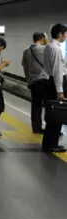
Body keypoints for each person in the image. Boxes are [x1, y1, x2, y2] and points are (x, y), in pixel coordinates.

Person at [42, 23, 67, 153]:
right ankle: (52, 144)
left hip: (49, 81)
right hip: (56, 83)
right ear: (60, 34)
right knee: (57, 115)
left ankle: (47, 144)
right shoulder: (56, 49)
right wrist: (60, 91)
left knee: (52, 115)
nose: (66, 37)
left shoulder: (49, 47)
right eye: (65, 34)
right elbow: (57, 71)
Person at [22, 32, 49, 134]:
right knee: (49, 105)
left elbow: (25, 67)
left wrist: (28, 80)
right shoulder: (46, 49)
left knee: (36, 105)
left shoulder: (26, 52)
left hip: (34, 82)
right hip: (46, 81)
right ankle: (50, 127)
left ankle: (36, 128)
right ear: (42, 38)